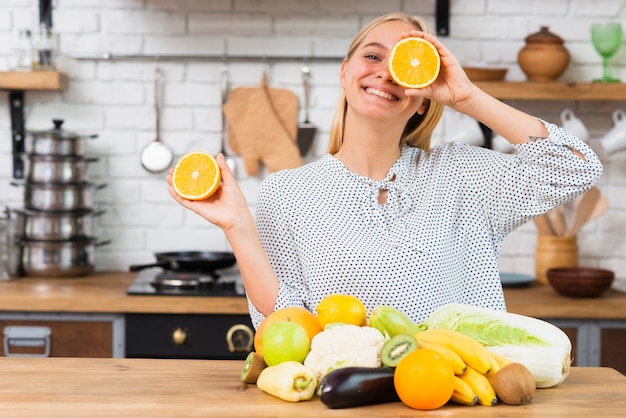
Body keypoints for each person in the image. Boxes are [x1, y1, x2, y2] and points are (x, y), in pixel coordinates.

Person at [167, 12, 602, 330]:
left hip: (455, 399)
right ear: (345, 73)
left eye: (404, 65)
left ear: (424, 96)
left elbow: (575, 168)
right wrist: (238, 225)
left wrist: (466, 97)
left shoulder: (463, 176)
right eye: (373, 56)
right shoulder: (286, 193)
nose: (387, 74)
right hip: (341, 400)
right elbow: (281, 326)